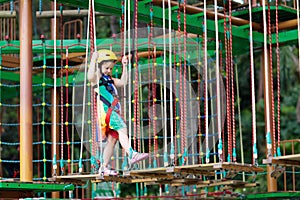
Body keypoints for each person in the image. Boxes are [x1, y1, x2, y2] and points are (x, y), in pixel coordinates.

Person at [88, 49, 148, 175]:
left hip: (111, 111)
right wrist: (93, 60)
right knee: (122, 128)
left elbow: (123, 82)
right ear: (99, 66)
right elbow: (90, 76)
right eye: (106, 68)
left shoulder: (109, 79)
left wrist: (125, 66)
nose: (109, 71)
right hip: (106, 111)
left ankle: (103, 167)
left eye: (110, 68)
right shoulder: (97, 79)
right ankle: (131, 154)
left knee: (112, 140)